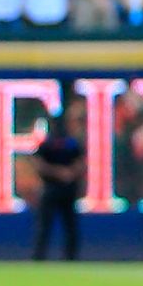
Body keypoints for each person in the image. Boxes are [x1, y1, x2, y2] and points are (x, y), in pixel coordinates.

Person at [31, 111, 84, 261]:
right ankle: (58, 256)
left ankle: (48, 256)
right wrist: (63, 173)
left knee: (61, 225)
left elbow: (39, 164)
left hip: (57, 189)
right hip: (57, 188)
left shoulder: (59, 143)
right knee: (57, 225)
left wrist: (65, 173)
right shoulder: (66, 143)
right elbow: (39, 164)